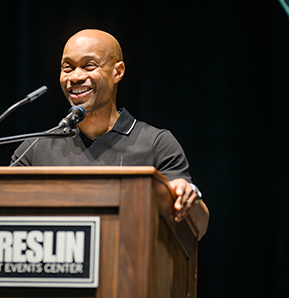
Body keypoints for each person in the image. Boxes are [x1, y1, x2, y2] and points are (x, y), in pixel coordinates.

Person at [11, 29, 209, 239]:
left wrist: (189, 196)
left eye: (89, 66)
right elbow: (3, 211)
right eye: (67, 68)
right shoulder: (35, 148)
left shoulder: (156, 144)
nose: (76, 77)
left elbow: (199, 228)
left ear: (118, 72)